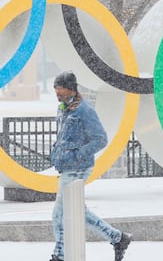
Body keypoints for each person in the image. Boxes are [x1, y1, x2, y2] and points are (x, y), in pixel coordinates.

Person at [49, 70, 132, 261]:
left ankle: (60, 255)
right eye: (56, 91)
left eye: (60, 91)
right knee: (78, 211)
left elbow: (101, 139)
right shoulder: (63, 108)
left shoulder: (85, 111)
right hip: (66, 168)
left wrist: (78, 154)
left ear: (71, 90)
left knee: (59, 215)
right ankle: (118, 238)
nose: (57, 95)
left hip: (78, 169)